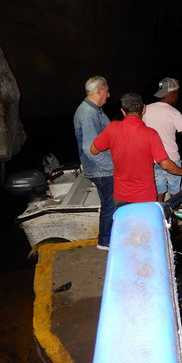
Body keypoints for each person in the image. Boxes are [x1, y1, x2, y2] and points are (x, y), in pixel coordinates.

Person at [90, 93, 182, 210]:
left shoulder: (112, 128)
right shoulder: (150, 134)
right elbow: (166, 164)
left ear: (122, 111)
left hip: (120, 196)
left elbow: (93, 150)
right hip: (145, 197)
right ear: (144, 109)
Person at [73, 76, 115, 250]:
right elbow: (90, 149)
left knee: (110, 204)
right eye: (106, 91)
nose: (109, 95)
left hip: (101, 168)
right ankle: (105, 241)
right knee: (110, 205)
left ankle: (109, 238)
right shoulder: (89, 114)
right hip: (102, 170)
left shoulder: (94, 110)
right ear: (99, 91)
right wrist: (113, 167)